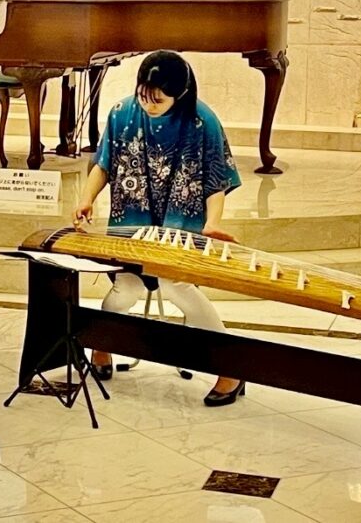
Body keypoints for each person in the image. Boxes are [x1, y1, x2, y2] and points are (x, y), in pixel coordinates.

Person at [72, 50, 245, 407]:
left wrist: (212, 223)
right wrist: (86, 199)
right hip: (131, 220)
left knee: (175, 285)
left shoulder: (203, 122)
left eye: (158, 100)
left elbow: (215, 179)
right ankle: (102, 346)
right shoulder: (122, 113)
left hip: (182, 223)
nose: (148, 105)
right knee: (126, 287)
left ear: (180, 95)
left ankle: (230, 367)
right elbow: (104, 164)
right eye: (143, 96)